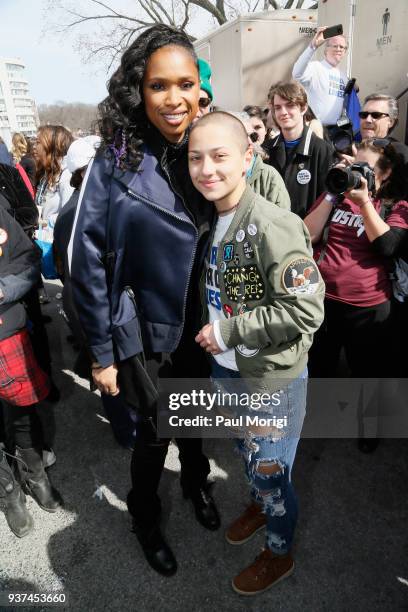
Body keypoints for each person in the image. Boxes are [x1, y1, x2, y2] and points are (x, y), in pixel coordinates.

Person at [69, 24, 221, 577]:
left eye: (186, 84)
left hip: (204, 324)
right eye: (160, 86)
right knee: (153, 437)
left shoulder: (208, 147)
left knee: (198, 422)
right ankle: (145, 516)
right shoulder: (114, 158)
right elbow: (83, 260)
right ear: (140, 89)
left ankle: (198, 485)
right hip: (145, 329)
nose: (175, 99)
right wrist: (103, 353)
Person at [189, 111, 325, 595]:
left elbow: (307, 309)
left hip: (270, 382)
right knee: (248, 454)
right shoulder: (213, 218)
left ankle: (279, 552)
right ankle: (259, 501)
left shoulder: (274, 224)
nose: (207, 168)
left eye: (220, 156)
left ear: (248, 158)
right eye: (196, 157)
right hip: (227, 374)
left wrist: (229, 331)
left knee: (271, 473)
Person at [305, 139, 408, 381]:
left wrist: (364, 203)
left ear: (387, 173)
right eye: (355, 165)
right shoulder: (337, 196)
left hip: (367, 309)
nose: (357, 173)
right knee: (318, 371)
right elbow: (307, 235)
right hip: (323, 302)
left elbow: (386, 245)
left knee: (366, 375)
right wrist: (331, 193)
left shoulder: (395, 206)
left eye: (366, 168)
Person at [0, 203, 62, 538]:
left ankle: (35, 474)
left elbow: (28, 257)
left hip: (6, 335)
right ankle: (9, 495)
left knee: (24, 414)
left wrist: (4, 288)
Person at [265, 80, 335, 218]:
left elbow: (328, 201)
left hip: (306, 233)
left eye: (290, 106)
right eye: (278, 107)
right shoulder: (267, 149)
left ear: (303, 108)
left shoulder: (322, 150)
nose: (283, 112)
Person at [229, 111, 290, 210]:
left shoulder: (269, 176)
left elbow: (282, 220)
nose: (249, 141)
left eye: (252, 136)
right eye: (241, 135)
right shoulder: (217, 176)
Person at [292, 26, 348, 129]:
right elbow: (297, 73)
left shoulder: (344, 77)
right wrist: (313, 46)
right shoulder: (316, 67)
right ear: (326, 50)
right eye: (335, 46)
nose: (338, 49)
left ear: (345, 52)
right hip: (314, 129)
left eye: (342, 47)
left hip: (335, 132)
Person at [34, 125, 74, 226]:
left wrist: (46, 223)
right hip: (43, 237)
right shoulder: (46, 172)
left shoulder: (67, 176)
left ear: (51, 146)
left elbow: (70, 214)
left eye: (38, 142)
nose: (34, 146)